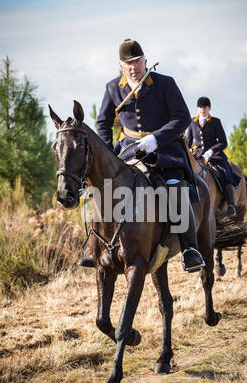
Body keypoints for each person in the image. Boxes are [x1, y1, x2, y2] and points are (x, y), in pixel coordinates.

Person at [79, 38, 204, 272]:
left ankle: (189, 250)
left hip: (164, 151)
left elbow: (182, 117)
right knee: (100, 189)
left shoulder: (165, 83)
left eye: (137, 62)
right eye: (129, 64)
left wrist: (156, 138)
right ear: (121, 66)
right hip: (127, 151)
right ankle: (97, 248)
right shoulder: (112, 88)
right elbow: (103, 122)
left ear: (145, 61)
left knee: (175, 186)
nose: (134, 68)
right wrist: (107, 151)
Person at [186, 96, 240, 216]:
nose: (202, 109)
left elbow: (223, 142)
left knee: (225, 173)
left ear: (209, 108)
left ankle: (231, 205)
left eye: (204, 107)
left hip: (215, 156)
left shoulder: (215, 122)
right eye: (200, 107)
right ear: (197, 108)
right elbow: (188, 142)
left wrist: (210, 152)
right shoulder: (192, 122)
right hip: (198, 156)